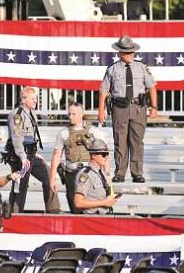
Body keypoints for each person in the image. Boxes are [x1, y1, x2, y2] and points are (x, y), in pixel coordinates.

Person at [98, 35, 158, 183]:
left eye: (132, 52)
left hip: (138, 107)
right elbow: (103, 90)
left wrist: (154, 107)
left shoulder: (142, 67)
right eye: (126, 52)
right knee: (120, 141)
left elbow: (151, 87)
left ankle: (137, 173)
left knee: (137, 141)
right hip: (120, 108)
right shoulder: (112, 69)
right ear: (119, 53)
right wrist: (101, 109)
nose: (130, 55)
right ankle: (120, 173)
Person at [5, 86, 61, 213]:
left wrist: (35, 154)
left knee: (49, 177)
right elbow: (17, 138)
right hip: (21, 156)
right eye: (33, 99)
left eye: (36, 99)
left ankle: (53, 210)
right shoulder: (17, 115)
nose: (36, 101)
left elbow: (30, 136)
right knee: (21, 185)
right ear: (24, 99)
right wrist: (23, 158)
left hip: (31, 154)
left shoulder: (30, 112)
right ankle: (15, 214)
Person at [49, 101, 109, 213]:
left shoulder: (93, 131)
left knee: (90, 208)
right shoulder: (64, 133)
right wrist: (52, 179)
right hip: (71, 174)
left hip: (89, 175)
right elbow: (57, 156)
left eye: (74, 114)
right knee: (74, 207)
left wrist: (107, 174)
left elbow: (104, 153)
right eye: (69, 114)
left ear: (82, 114)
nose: (70, 117)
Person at [74, 139, 119, 214]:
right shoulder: (85, 175)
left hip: (104, 216)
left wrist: (107, 173)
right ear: (93, 155)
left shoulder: (102, 173)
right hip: (91, 217)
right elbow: (78, 202)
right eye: (103, 154)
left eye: (107, 154)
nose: (106, 157)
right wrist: (104, 203)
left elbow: (110, 193)